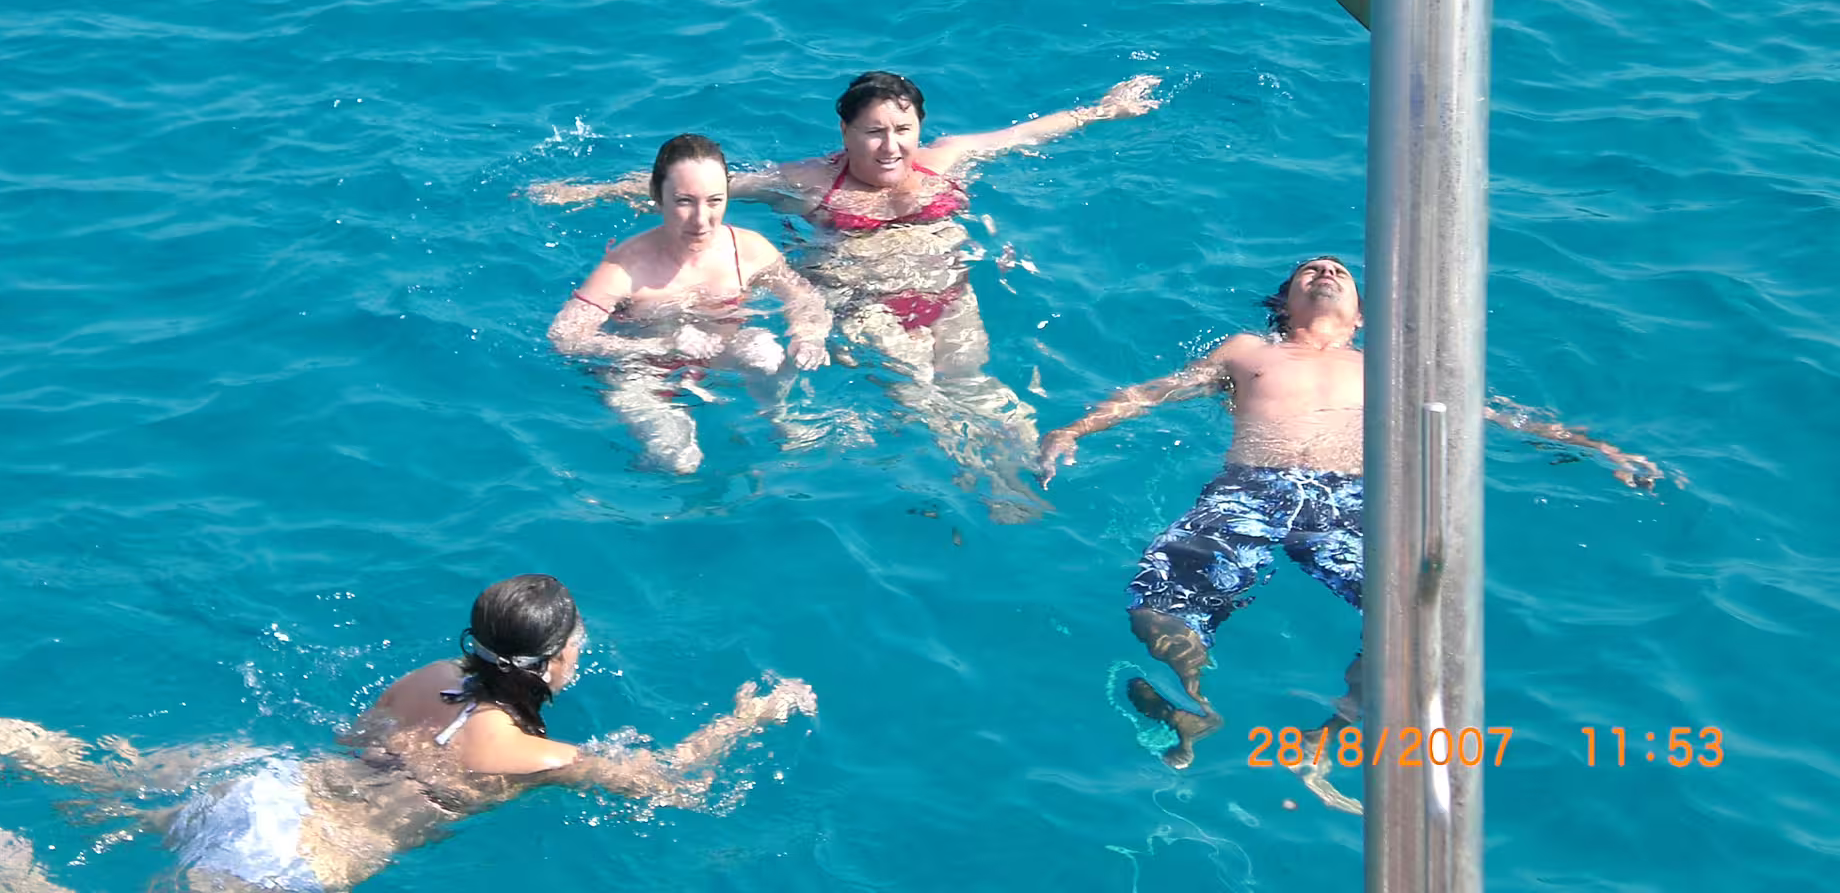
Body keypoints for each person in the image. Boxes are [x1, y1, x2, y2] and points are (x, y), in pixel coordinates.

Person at [1034, 256, 1670, 810]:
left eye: (1340, 270)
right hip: (1250, 489)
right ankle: (1192, 707)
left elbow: (1492, 412)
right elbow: (1154, 393)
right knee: (1155, 611)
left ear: (1361, 316)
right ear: (1284, 301)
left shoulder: (1389, 364)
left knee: (1416, 622)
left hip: (1349, 501)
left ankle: (1327, 737)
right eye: (1310, 269)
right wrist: (1072, 431)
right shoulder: (1246, 352)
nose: (1328, 272)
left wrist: (1601, 449)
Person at [0, 574, 817, 892]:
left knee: (91, 773)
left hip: (265, 788)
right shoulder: (536, 755)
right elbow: (671, 783)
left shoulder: (426, 680)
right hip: (294, 863)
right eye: (575, 646)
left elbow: (356, 742)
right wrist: (752, 714)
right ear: (549, 663)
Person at [531, 71, 1161, 516]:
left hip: (948, 292)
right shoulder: (803, 184)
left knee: (975, 383)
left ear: (920, 127)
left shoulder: (946, 159)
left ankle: (1028, 463)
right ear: (845, 132)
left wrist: (1105, 109)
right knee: (921, 395)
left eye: (903, 128)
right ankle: (984, 485)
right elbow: (704, 190)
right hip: (868, 307)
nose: (891, 145)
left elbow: (1025, 133)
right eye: (873, 132)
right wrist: (586, 192)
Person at [547, 134, 831, 474]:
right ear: (657, 198)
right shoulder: (623, 269)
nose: (701, 219)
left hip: (719, 352)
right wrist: (662, 344)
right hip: (641, 372)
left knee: (764, 352)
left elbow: (804, 297)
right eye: (685, 202)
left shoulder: (749, 250)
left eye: (714, 201)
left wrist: (808, 334)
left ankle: (776, 415)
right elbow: (565, 338)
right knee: (681, 461)